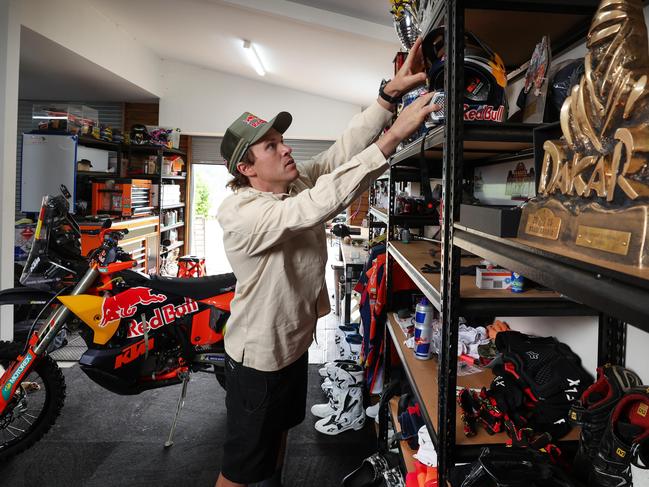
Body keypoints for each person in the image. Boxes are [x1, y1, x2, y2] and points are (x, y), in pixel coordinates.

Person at [215, 37, 438, 487]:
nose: (286, 149)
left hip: (292, 347)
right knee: (241, 471)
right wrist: (394, 136)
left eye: (282, 140)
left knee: (277, 441)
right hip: (258, 358)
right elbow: (315, 207)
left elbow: (342, 154)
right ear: (246, 168)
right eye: (271, 147)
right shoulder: (242, 211)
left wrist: (387, 97)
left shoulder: (291, 187)